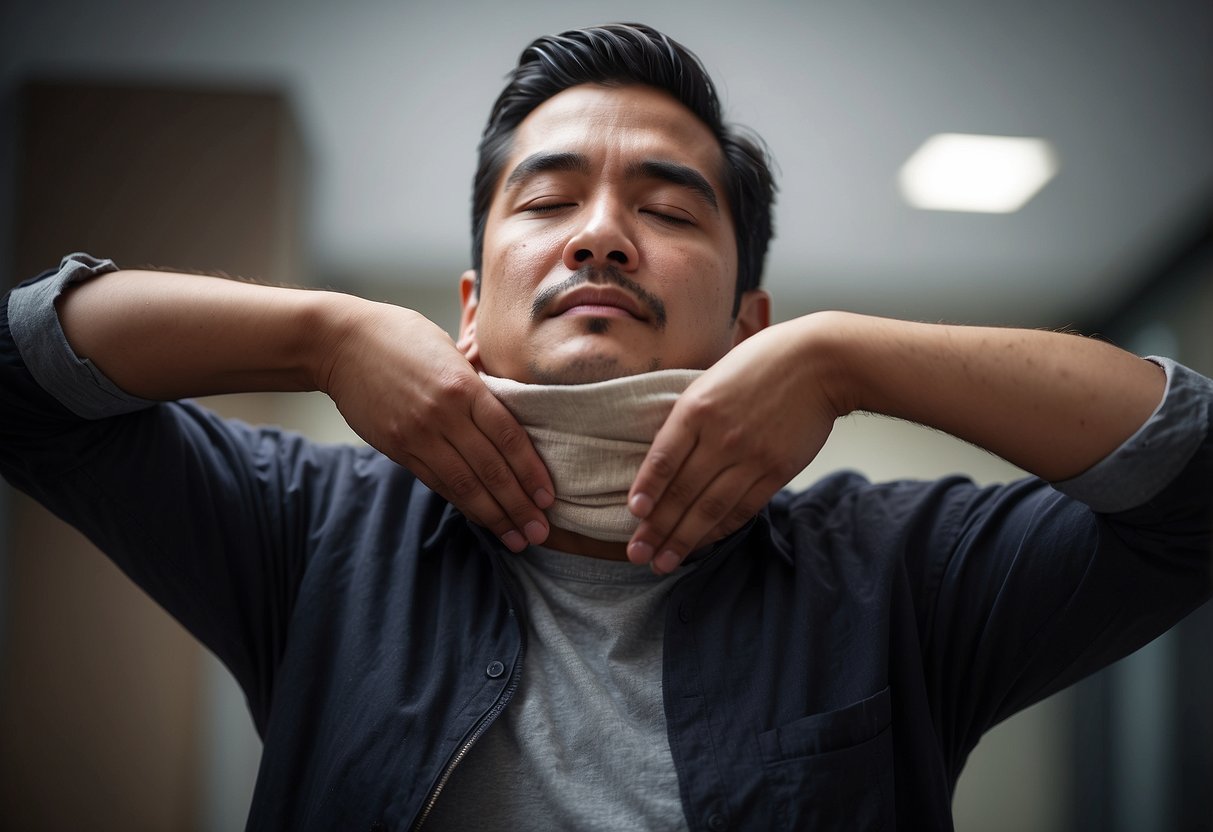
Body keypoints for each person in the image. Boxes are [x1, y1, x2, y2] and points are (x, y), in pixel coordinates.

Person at [1, 21, 1209, 832]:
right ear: (468, 311)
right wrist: (321, 335)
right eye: (547, 197)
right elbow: (22, 381)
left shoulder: (898, 576)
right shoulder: (311, 533)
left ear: (750, 323)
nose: (600, 234)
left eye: (667, 207)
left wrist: (854, 357)